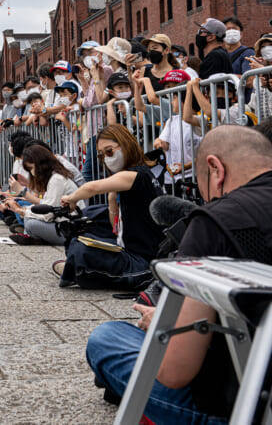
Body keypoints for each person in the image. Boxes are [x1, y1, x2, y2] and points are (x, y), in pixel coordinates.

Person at [86, 126, 272, 423]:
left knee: (107, 338)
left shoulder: (214, 222)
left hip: (241, 405)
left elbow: (175, 372)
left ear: (215, 169)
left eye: (202, 186)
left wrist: (165, 323)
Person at [57, 124, 164, 289]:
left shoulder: (136, 174)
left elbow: (91, 188)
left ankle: (75, 267)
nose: (106, 159)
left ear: (125, 145)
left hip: (142, 263)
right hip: (132, 252)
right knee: (83, 234)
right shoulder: (139, 174)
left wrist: (71, 198)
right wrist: (112, 197)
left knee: (82, 250)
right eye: (101, 155)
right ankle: (76, 266)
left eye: (109, 152)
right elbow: (115, 227)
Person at [4, 143, 81, 246]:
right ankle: (35, 236)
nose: (32, 173)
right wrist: (24, 210)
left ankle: (34, 236)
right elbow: (46, 205)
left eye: (31, 168)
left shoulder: (56, 179)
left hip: (70, 228)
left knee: (31, 223)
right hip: (63, 223)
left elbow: (48, 214)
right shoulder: (53, 177)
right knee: (28, 217)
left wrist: (21, 210)